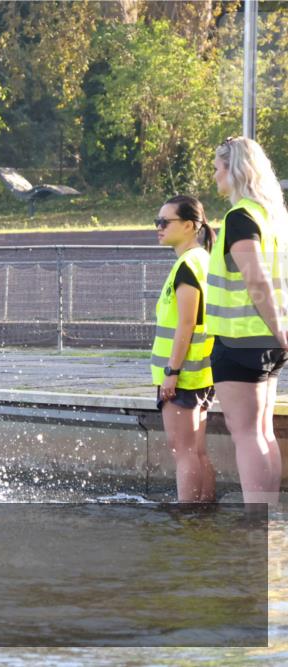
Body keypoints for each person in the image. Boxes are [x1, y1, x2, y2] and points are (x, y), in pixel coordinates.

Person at [206, 136, 288, 505]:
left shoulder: (240, 217)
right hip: (267, 340)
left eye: (217, 168)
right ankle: (268, 519)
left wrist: (279, 330)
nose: (214, 176)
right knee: (262, 431)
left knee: (247, 434)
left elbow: (256, 279)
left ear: (235, 170)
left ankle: (257, 522)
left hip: (242, 339)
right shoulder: (272, 217)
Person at [152, 195, 216, 502]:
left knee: (184, 451)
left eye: (165, 222)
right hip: (200, 372)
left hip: (184, 375)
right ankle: (204, 514)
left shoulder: (188, 265)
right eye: (157, 222)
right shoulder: (203, 260)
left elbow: (186, 324)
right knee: (197, 450)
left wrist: (172, 371)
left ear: (190, 225)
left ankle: (187, 519)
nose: (159, 227)